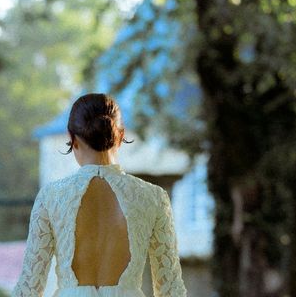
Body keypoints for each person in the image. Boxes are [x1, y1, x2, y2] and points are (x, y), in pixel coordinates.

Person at [13, 93, 187, 297]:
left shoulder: (50, 197)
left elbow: (28, 290)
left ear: (72, 138)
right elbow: (171, 290)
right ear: (121, 136)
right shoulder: (154, 197)